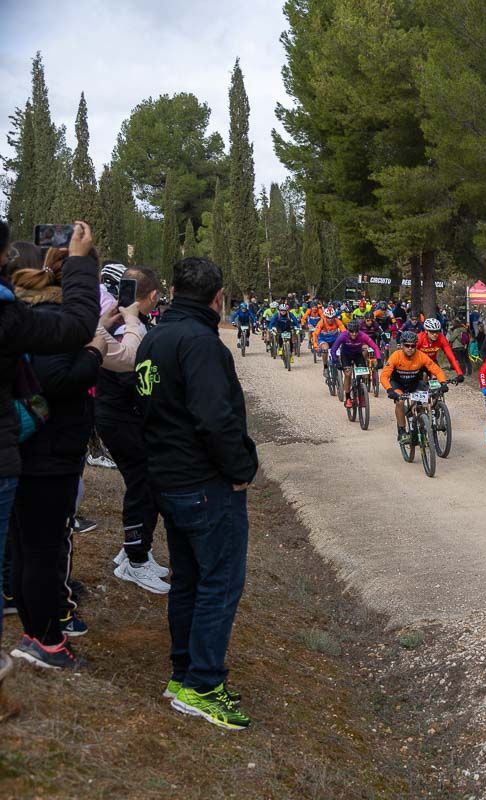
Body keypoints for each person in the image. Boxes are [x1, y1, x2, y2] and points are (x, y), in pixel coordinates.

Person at [137, 256, 258, 730]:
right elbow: (214, 417)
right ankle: (203, 685)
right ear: (218, 297)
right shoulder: (201, 342)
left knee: (188, 580)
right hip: (204, 484)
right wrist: (241, 467)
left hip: (168, 479)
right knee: (219, 583)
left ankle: (184, 674)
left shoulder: (155, 337)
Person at [0, 221, 100, 700]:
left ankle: (34, 631)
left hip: (30, 454)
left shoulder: (22, 317)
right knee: (42, 549)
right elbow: (61, 379)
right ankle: (45, 638)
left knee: (26, 547)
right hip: (46, 456)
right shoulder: (38, 327)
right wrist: (95, 352)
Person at [97, 266, 171, 594]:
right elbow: (132, 372)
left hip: (120, 415)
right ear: (153, 297)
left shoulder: (128, 323)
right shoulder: (126, 326)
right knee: (143, 482)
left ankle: (136, 550)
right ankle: (135, 558)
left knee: (144, 483)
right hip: (119, 416)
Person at [382, 331, 447, 441]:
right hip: (398, 384)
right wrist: (389, 390)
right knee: (400, 402)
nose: (410, 348)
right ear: (402, 345)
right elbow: (384, 376)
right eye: (407, 345)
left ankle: (420, 423)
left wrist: (443, 382)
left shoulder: (421, 356)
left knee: (424, 404)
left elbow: (436, 370)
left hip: (415, 384)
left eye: (413, 346)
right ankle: (402, 430)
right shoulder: (395, 356)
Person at [330, 319, 383, 407]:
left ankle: (360, 391)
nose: (354, 334)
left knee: (365, 375)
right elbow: (333, 349)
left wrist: (379, 359)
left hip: (358, 355)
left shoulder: (362, 336)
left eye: (356, 332)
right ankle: (347, 398)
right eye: (351, 332)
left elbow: (375, 347)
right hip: (346, 355)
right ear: (348, 330)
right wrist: (335, 361)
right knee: (348, 374)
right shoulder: (343, 336)